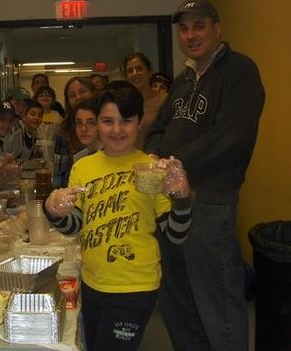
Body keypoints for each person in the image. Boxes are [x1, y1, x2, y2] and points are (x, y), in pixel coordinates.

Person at [144, 0, 265, 351]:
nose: (190, 35)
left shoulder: (240, 71)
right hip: (170, 203)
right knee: (177, 297)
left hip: (209, 205)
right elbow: (158, 128)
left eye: (199, 26)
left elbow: (231, 136)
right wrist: (156, 155)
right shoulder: (183, 81)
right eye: (183, 28)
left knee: (217, 301)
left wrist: (173, 163)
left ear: (217, 29)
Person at [44, 84, 193, 351]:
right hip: (92, 282)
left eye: (126, 121)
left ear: (139, 123)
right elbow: (76, 225)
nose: (116, 130)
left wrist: (181, 198)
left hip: (136, 287)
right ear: (98, 124)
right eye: (107, 121)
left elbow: (175, 234)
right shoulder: (83, 167)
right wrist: (53, 210)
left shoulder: (151, 168)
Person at [53, 77, 97, 188]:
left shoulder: (108, 124)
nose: (78, 97)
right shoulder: (64, 132)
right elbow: (59, 177)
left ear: (93, 93)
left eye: (82, 92)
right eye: (72, 95)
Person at [123, 52, 167, 149]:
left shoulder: (165, 100)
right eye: (130, 71)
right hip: (128, 159)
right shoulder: (123, 103)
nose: (134, 74)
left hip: (156, 160)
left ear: (149, 71)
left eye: (139, 69)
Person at [71, 99, 101, 164]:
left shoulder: (112, 155)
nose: (83, 129)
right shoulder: (79, 158)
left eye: (91, 123)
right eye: (79, 123)